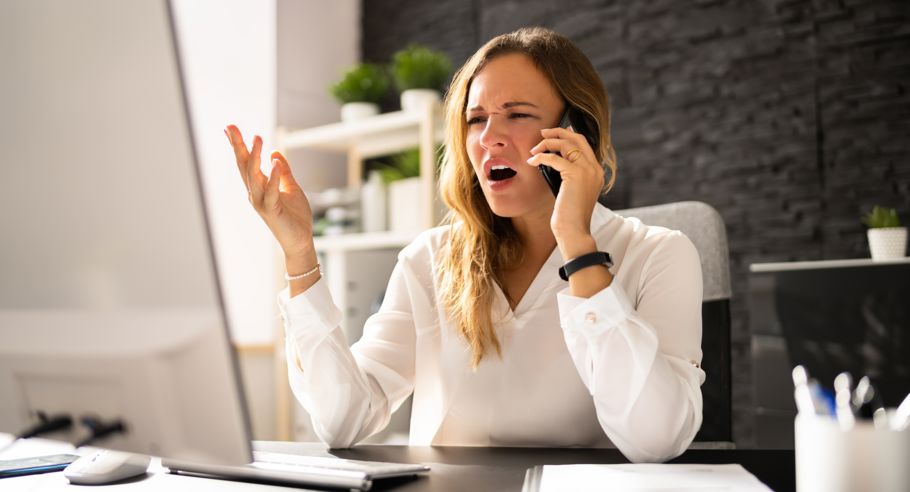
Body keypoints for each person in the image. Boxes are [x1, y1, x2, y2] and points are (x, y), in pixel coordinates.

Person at [225, 27, 704, 462]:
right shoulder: (428, 260)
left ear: (578, 132)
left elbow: (656, 439)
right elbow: (343, 420)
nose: (489, 138)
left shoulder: (660, 254)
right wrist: (301, 255)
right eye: (476, 120)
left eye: (516, 114)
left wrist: (579, 246)